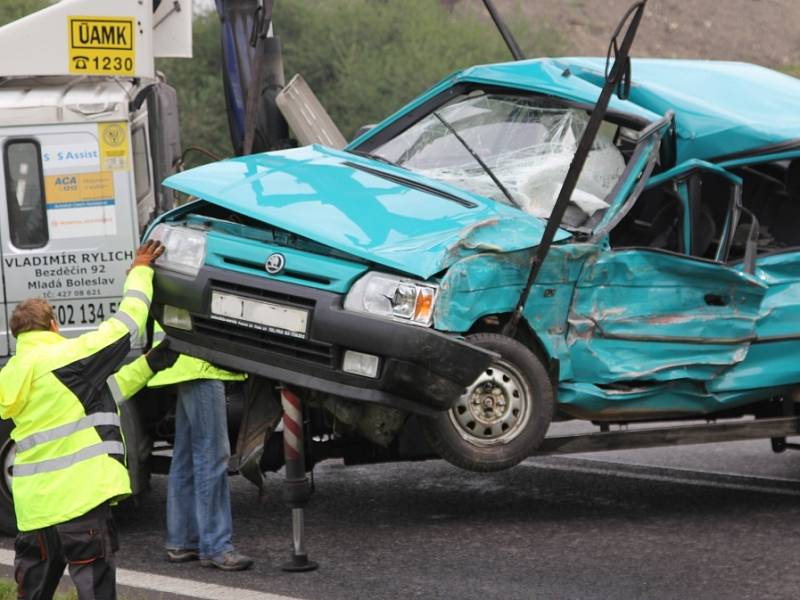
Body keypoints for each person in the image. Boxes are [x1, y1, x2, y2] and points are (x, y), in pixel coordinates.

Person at [0, 240, 178, 600]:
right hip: (79, 500)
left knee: (32, 594)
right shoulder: (66, 357)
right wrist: (140, 270)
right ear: (53, 325)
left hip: (35, 511)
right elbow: (125, 325)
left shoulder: (16, 372)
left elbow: (98, 396)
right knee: (95, 590)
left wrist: (148, 366)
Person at [147, 338, 253, 571]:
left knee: (186, 458)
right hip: (202, 359)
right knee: (212, 455)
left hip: (184, 358)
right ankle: (216, 546)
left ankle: (182, 540)